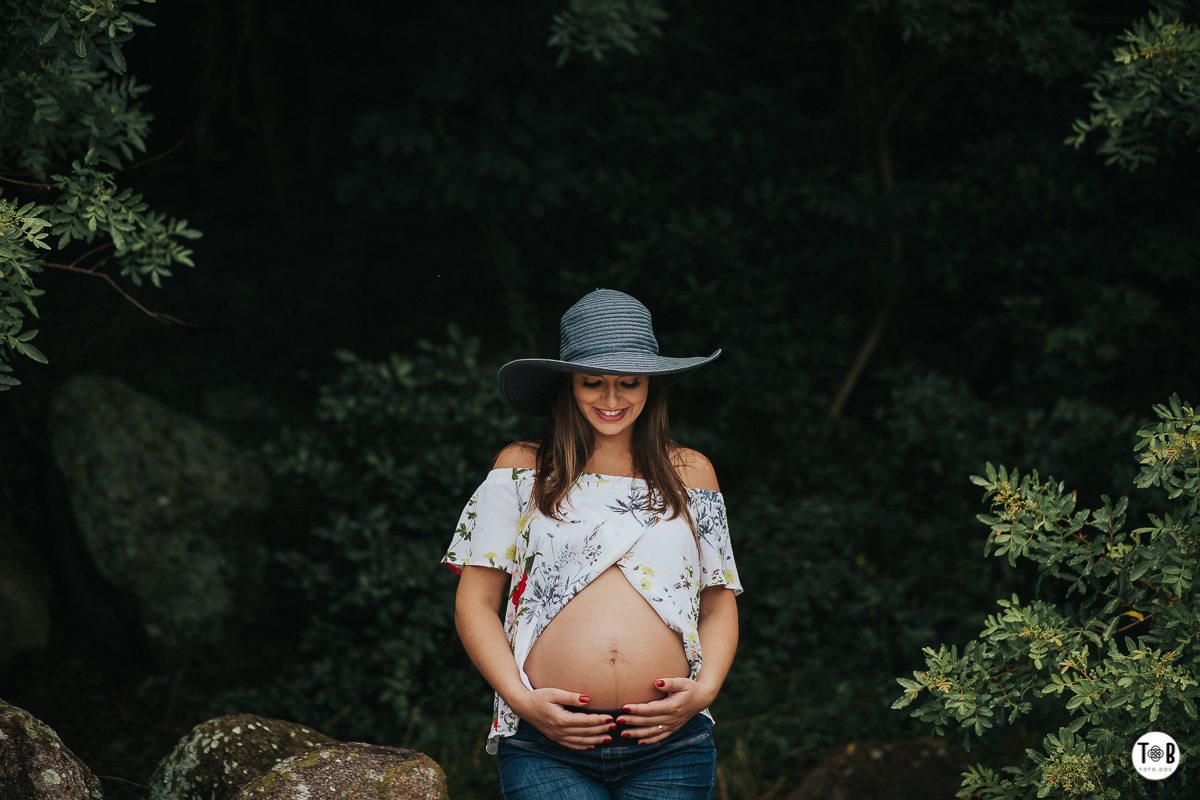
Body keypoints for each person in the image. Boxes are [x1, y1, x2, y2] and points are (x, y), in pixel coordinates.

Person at [443, 289, 742, 799]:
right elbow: (475, 603)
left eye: (629, 382)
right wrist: (520, 700)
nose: (612, 399)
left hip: (671, 741)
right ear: (567, 384)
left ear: (651, 384)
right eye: (592, 382)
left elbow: (717, 603)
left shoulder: (691, 472)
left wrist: (707, 688)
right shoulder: (520, 468)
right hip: (547, 741)